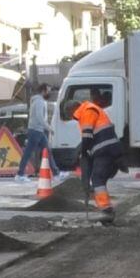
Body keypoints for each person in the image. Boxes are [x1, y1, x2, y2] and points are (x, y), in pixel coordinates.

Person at [73, 89, 123, 223]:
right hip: (108, 149)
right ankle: (105, 209)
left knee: (97, 178)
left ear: (73, 109)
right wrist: (83, 151)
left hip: (105, 151)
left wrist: (83, 152)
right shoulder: (91, 109)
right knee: (99, 180)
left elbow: (87, 135)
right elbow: (90, 137)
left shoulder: (87, 111)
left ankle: (107, 211)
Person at [15, 84, 61, 182]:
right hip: (36, 131)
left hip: (37, 130)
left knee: (47, 151)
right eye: (48, 91)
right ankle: (20, 174)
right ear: (43, 91)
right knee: (29, 152)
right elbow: (40, 118)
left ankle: (56, 173)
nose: (49, 93)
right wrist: (49, 128)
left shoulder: (38, 101)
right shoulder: (39, 102)